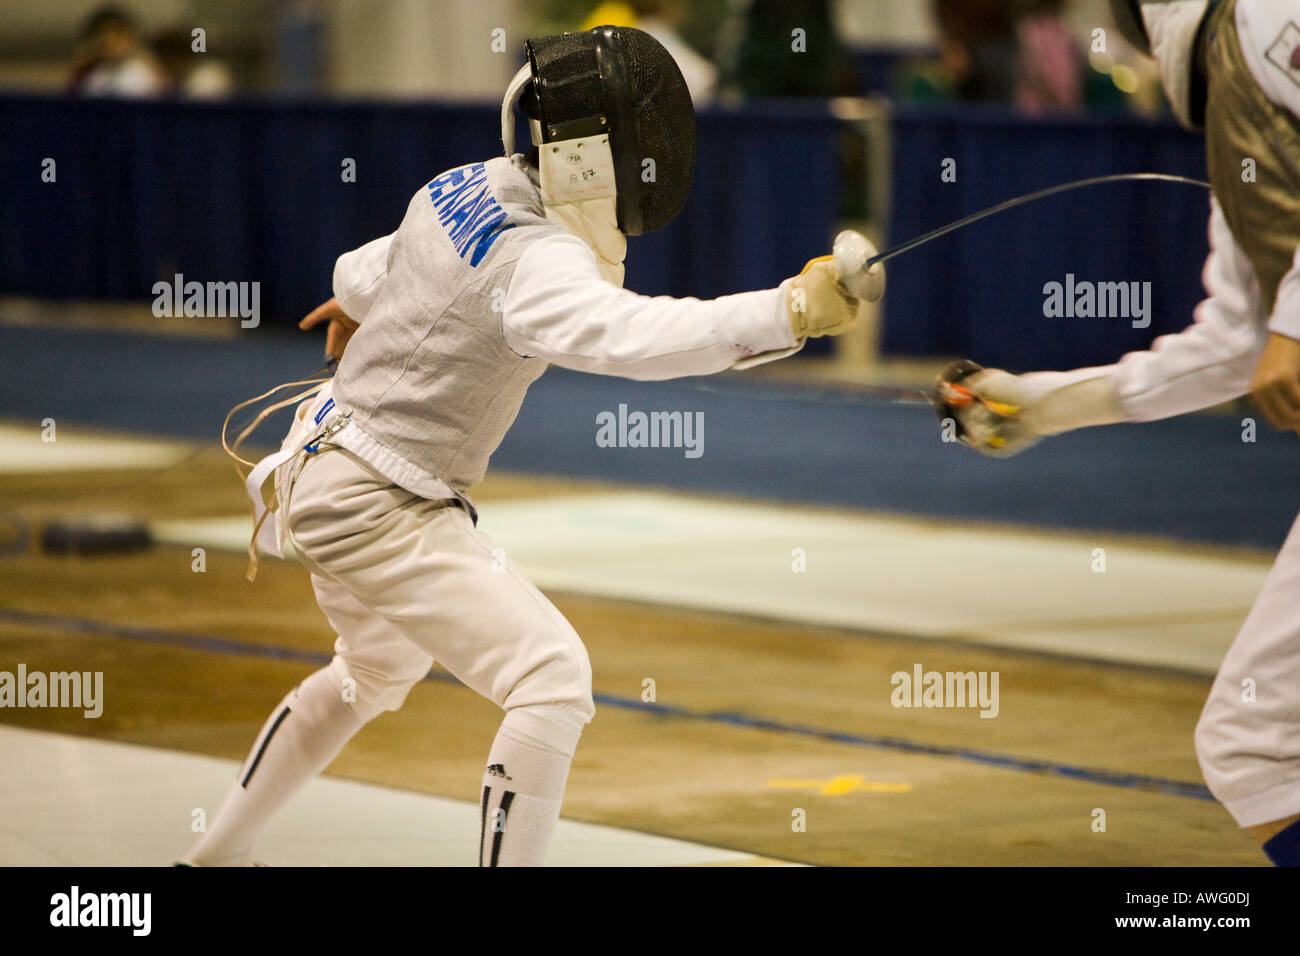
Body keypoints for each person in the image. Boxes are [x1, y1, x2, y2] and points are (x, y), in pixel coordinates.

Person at [182, 25, 880, 867]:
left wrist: (368, 308)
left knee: (373, 676)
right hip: (376, 498)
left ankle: (211, 858)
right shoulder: (538, 261)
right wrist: (789, 312)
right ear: (595, 154)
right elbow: (632, 339)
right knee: (550, 679)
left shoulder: (459, 185)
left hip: (325, 460)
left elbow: (354, 272)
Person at [948, 0, 1300, 866]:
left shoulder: (1261, 23)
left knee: (1256, 742)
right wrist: (1036, 406)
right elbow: (1232, 345)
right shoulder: (1234, 92)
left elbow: (1276, 329)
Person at [67, 5, 166, 98]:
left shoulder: (143, 74)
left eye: (117, 36)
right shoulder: (93, 75)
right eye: (102, 37)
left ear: (130, 37)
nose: (109, 41)